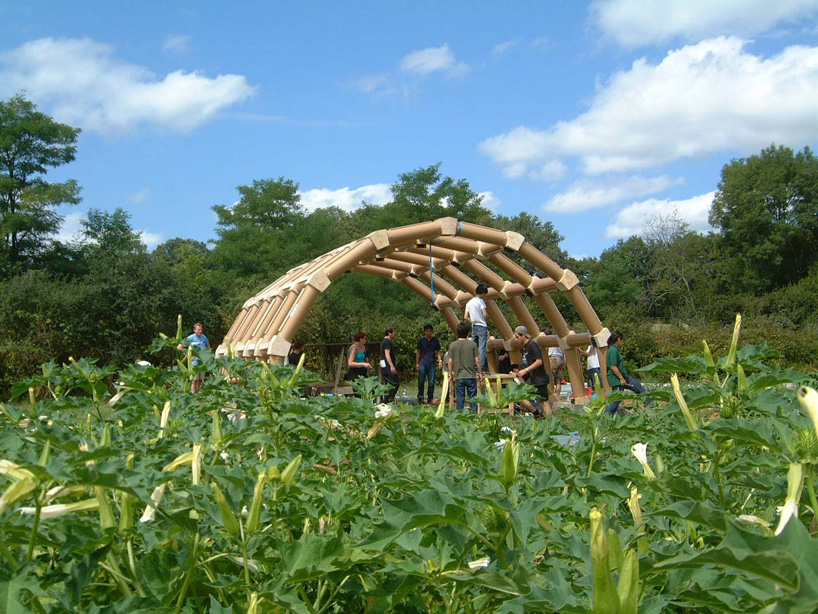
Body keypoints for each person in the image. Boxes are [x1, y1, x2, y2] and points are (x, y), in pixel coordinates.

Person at [512, 326, 552, 417]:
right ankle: (537, 414)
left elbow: (539, 361)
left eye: (517, 337)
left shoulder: (532, 345)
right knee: (521, 397)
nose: (516, 340)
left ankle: (550, 422)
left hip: (539, 378)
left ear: (524, 335)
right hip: (533, 379)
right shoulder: (526, 347)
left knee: (544, 403)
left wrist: (526, 370)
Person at [604, 331, 645, 416]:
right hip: (617, 378)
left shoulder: (613, 349)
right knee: (617, 399)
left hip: (621, 377)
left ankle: (606, 417)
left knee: (636, 389)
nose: (623, 342)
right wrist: (621, 378)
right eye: (622, 340)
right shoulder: (613, 351)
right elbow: (613, 367)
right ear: (619, 339)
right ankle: (606, 416)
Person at [448, 321, 483, 412]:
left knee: (460, 399)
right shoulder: (472, 344)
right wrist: (480, 373)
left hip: (459, 376)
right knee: (473, 399)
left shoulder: (453, 345)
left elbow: (450, 361)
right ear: (468, 332)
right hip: (471, 376)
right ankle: (474, 417)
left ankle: (460, 417)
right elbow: (477, 360)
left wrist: (450, 374)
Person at [177, 322, 210, 393]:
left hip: (202, 362)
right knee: (194, 380)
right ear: (194, 330)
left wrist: (208, 356)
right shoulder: (190, 338)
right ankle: (193, 395)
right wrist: (188, 355)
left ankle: (199, 396)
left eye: (201, 330)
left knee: (201, 380)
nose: (200, 331)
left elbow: (208, 347)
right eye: (198, 330)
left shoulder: (204, 337)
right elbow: (179, 347)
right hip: (194, 363)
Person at [465, 284, 490, 371]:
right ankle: (481, 367)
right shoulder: (481, 301)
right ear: (483, 293)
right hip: (482, 326)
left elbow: (465, 317)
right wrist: (483, 320)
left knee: (473, 347)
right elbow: (484, 314)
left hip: (474, 326)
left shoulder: (469, 302)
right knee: (482, 347)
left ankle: (472, 365)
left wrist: (471, 322)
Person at [415, 324, 442, 404]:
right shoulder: (421, 340)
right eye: (427, 331)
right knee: (421, 381)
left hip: (432, 364)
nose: (428, 333)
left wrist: (440, 361)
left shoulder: (435, 340)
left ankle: (430, 398)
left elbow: (438, 352)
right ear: (424, 332)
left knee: (431, 382)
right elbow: (418, 352)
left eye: (430, 331)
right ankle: (420, 396)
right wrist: (417, 363)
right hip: (423, 363)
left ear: (432, 332)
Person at [379, 327, 399, 403]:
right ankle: (385, 401)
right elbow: (387, 354)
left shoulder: (383, 342)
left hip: (384, 366)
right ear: (389, 333)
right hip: (388, 367)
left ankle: (388, 399)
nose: (395, 334)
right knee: (394, 383)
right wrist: (392, 366)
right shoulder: (387, 342)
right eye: (394, 332)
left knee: (389, 385)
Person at [544, 328, 565, 399]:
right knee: (558, 381)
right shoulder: (560, 339)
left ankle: (552, 396)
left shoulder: (550, 340)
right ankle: (558, 396)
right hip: (561, 358)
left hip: (553, 358)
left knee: (551, 378)